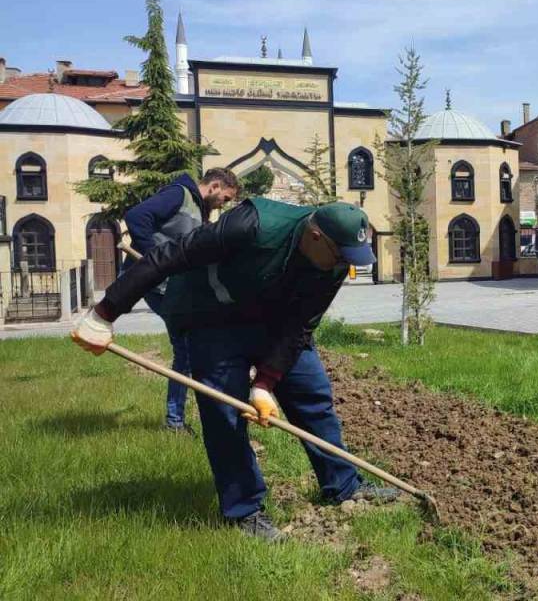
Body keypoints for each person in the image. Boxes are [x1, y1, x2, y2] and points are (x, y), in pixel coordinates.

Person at [72, 198, 399, 541]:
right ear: (315, 235)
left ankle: (343, 485)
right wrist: (104, 313)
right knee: (223, 411)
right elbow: (169, 256)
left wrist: (266, 383)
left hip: (274, 320)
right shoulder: (251, 223)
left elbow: (301, 324)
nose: (345, 265)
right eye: (341, 255)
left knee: (312, 393)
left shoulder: (334, 262)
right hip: (212, 317)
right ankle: (244, 511)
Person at [125, 168, 239, 434]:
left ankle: (179, 417)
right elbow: (135, 216)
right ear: (214, 186)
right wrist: (156, 259)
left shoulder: (198, 210)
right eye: (225, 198)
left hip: (171, 287)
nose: (224, 204)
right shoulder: (179, 194)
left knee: (190, 348)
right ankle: (175, 421)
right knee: (186, 349)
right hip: (158, 286)